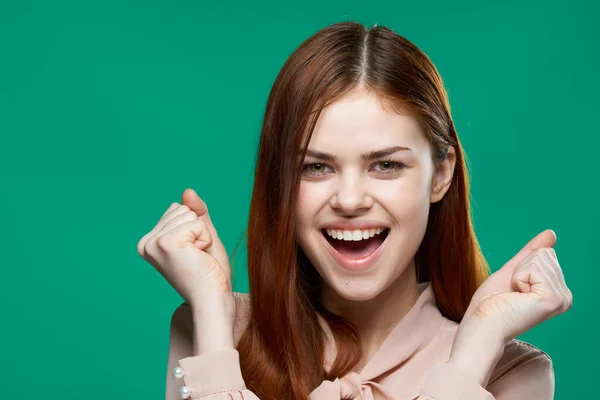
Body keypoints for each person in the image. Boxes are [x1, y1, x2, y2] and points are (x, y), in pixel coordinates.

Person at [137, 21, 572, 400]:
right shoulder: (212, 328)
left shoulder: (507, 370)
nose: (348, 200)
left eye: (386, 165)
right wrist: (212, 315)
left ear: (441, 175)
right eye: (315, 167)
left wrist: (474, 349)